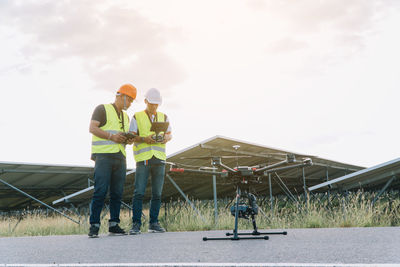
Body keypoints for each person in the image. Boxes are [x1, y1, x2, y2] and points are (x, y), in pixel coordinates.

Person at [88, 83, 137, 238]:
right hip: (103, 156)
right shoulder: (101, 109)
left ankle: (114, 224)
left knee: (117, 193)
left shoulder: (125, 116)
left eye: (131, 102)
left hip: (120, 156)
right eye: (129, 100)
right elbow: (92, 128)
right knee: (100, 191)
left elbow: (119, 135)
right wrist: (111, 137)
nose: (129, 104)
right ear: (121, 96)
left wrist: (126, 140)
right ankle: (94, 226)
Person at [128, 88, 172, 234]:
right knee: (139, 192)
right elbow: (131, 137)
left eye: (156, 104)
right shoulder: (137, 116)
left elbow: (170, 134)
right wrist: (144, 139)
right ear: (146, 101)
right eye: (152, 103)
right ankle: (136, 224)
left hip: (159, 159)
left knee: (157, 194)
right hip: (143, 159)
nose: (154, 107)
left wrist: (166, 138)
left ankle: (154, 223)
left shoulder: (164, 116)